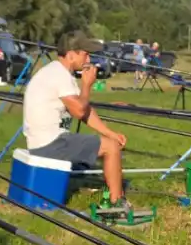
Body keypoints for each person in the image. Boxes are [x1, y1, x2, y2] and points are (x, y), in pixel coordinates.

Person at [21, 31, 130, 214]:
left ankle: (107, 192)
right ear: (71, 54)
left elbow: (85, 111)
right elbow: (80, 111)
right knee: (111, 148)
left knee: (109, 141)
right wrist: (87, 85)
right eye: (85, 53)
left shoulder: (56, 72)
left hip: (45, 142)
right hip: (50, 144)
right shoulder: (59, 75)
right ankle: (117, 204)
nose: (89, 58)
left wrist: (109, 132)